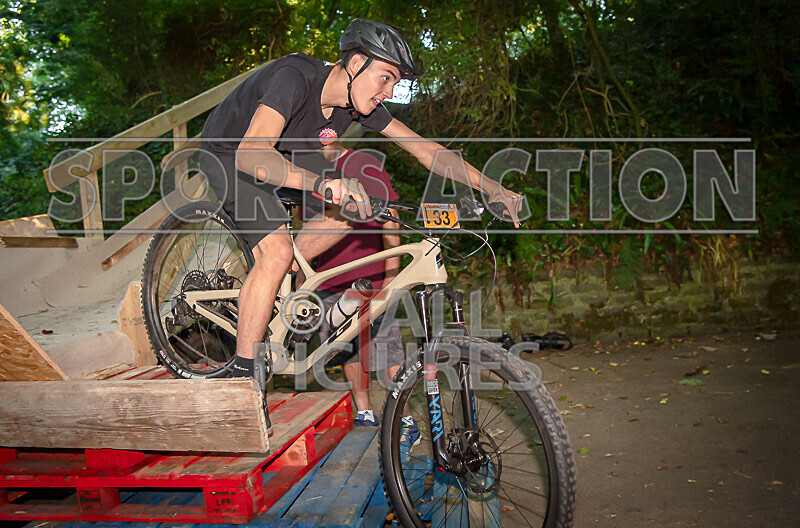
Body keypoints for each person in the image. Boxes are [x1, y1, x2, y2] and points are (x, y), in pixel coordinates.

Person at [199, 19, 524, 431]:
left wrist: (491, 187)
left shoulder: (355, 105)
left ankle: (286, 275)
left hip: (288, 157)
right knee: (277, 249)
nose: (389, 92)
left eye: (396, 83)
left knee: (359, 206)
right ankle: (243, 378)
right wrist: (321, 182)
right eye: (386, 78)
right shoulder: (294, 78)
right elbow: (252, 154)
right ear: (355, 63)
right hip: (233, 155)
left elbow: (426, 150)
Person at [310, 149, 404, 428]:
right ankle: (364, 413)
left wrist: (392, 274)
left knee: (390, 350)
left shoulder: (362, 162)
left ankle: (404, 416)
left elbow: (390, 216)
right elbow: (308, 229)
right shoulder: (304, 172)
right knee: (349, 349)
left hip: (371, 276)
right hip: (330, 281)